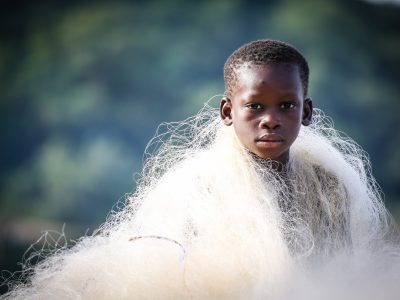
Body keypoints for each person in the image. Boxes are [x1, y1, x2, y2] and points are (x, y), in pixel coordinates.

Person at [2, 39, 398, 299]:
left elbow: (342, 276)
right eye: (255, 106)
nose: (271, 119)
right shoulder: (196, 188)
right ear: (228, 111)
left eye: (286, 106)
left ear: (306, 112)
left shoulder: (330, 187)